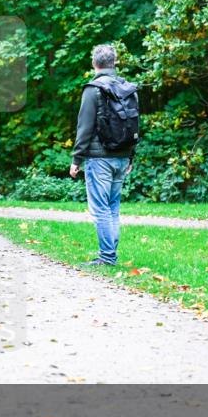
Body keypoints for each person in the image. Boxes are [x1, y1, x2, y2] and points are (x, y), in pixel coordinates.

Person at [69, 44, 138, 266]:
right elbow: (134, 123)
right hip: (121, 156)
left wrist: (76, 159)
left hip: (99, 159)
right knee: (112, 207)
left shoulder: (93, 89)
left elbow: (84, 127)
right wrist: (130, 156)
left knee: (101, 210)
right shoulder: (127, 88)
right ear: (114, 62)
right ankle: (109, 254)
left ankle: (107, 257)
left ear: (94, 63)